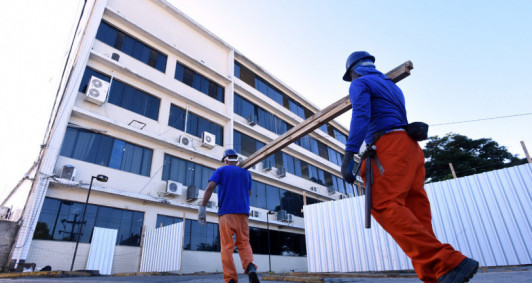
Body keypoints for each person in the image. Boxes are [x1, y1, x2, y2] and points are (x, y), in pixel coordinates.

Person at [340, 51, 479, 283]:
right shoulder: (393, 87)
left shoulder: (360, 83)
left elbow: (361, 115)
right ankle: (436, 274)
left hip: (389, 146)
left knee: (382, 203)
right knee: (416, 213)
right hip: (411, 148)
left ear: (353, 70)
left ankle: (448, 262)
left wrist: (348, 154)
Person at [198, 149, 259, 283]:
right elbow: (248, 193)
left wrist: (202, 207)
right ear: (236, 160)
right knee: (243, 243)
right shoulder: (246, 173)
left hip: (226, 213)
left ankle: (231, 278)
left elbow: (210, 188)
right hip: (243, 213)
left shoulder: (221, 170)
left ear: (226, 160)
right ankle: (250, 267)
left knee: (227, 246)